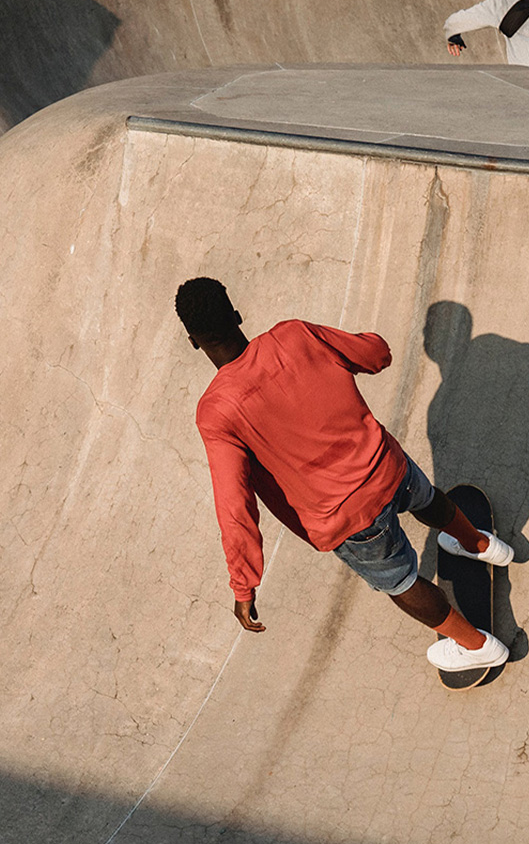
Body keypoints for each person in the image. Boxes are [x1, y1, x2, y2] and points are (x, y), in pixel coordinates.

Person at [177, 277, 511, 674]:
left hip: (347, 521)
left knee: (402, 582)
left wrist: (243, 583)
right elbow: (375, 354)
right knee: (426, 499)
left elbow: (234, 504)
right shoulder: (294, 336)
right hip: (387, 464)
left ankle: (478, 647)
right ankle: (481, 544)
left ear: (193, 341)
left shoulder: (217, 411)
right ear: (236, 315)